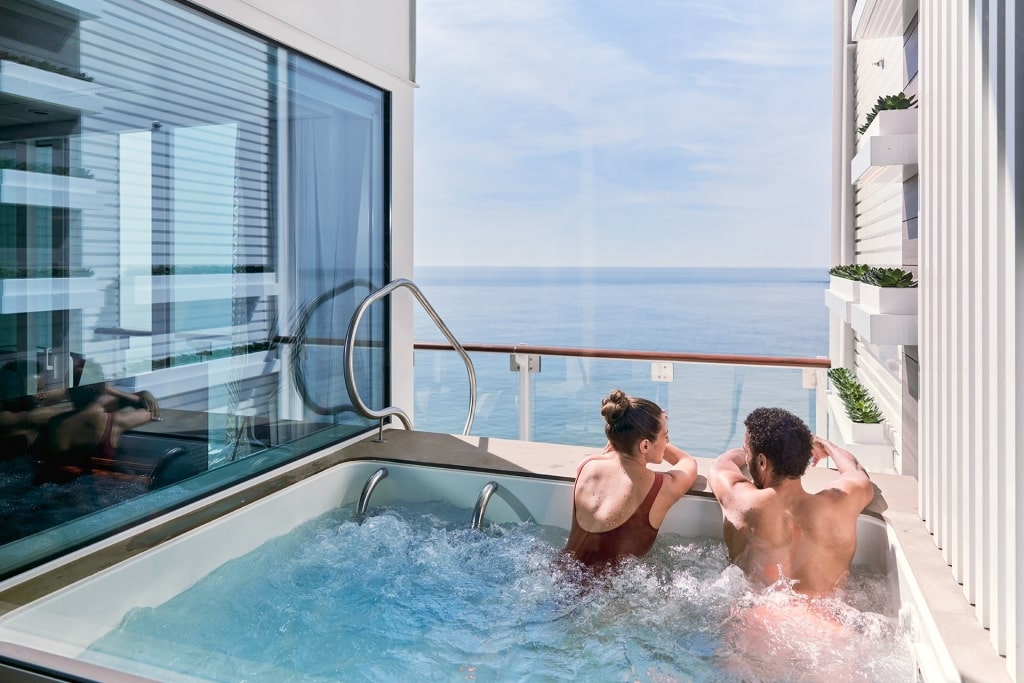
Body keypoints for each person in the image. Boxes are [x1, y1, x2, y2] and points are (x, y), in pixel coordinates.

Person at [708, 406, 874, 596]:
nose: (746, 457)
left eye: (748, 452)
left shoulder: (741, 500)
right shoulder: (839, 504)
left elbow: (721, 464)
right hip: (828, 619)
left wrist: (757, 447)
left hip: (755, 615)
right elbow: (855, 470)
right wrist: (825, 445)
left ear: (762, 462)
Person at [563, 389, 698, 568]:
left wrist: (644, 431)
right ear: (645, 445)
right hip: (608, 595)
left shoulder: (587, 465)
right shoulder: (660, 488)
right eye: (665, 436)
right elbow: (687, 462)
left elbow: (617, 448)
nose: (667, 441)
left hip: (559, 575)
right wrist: (653, 430)